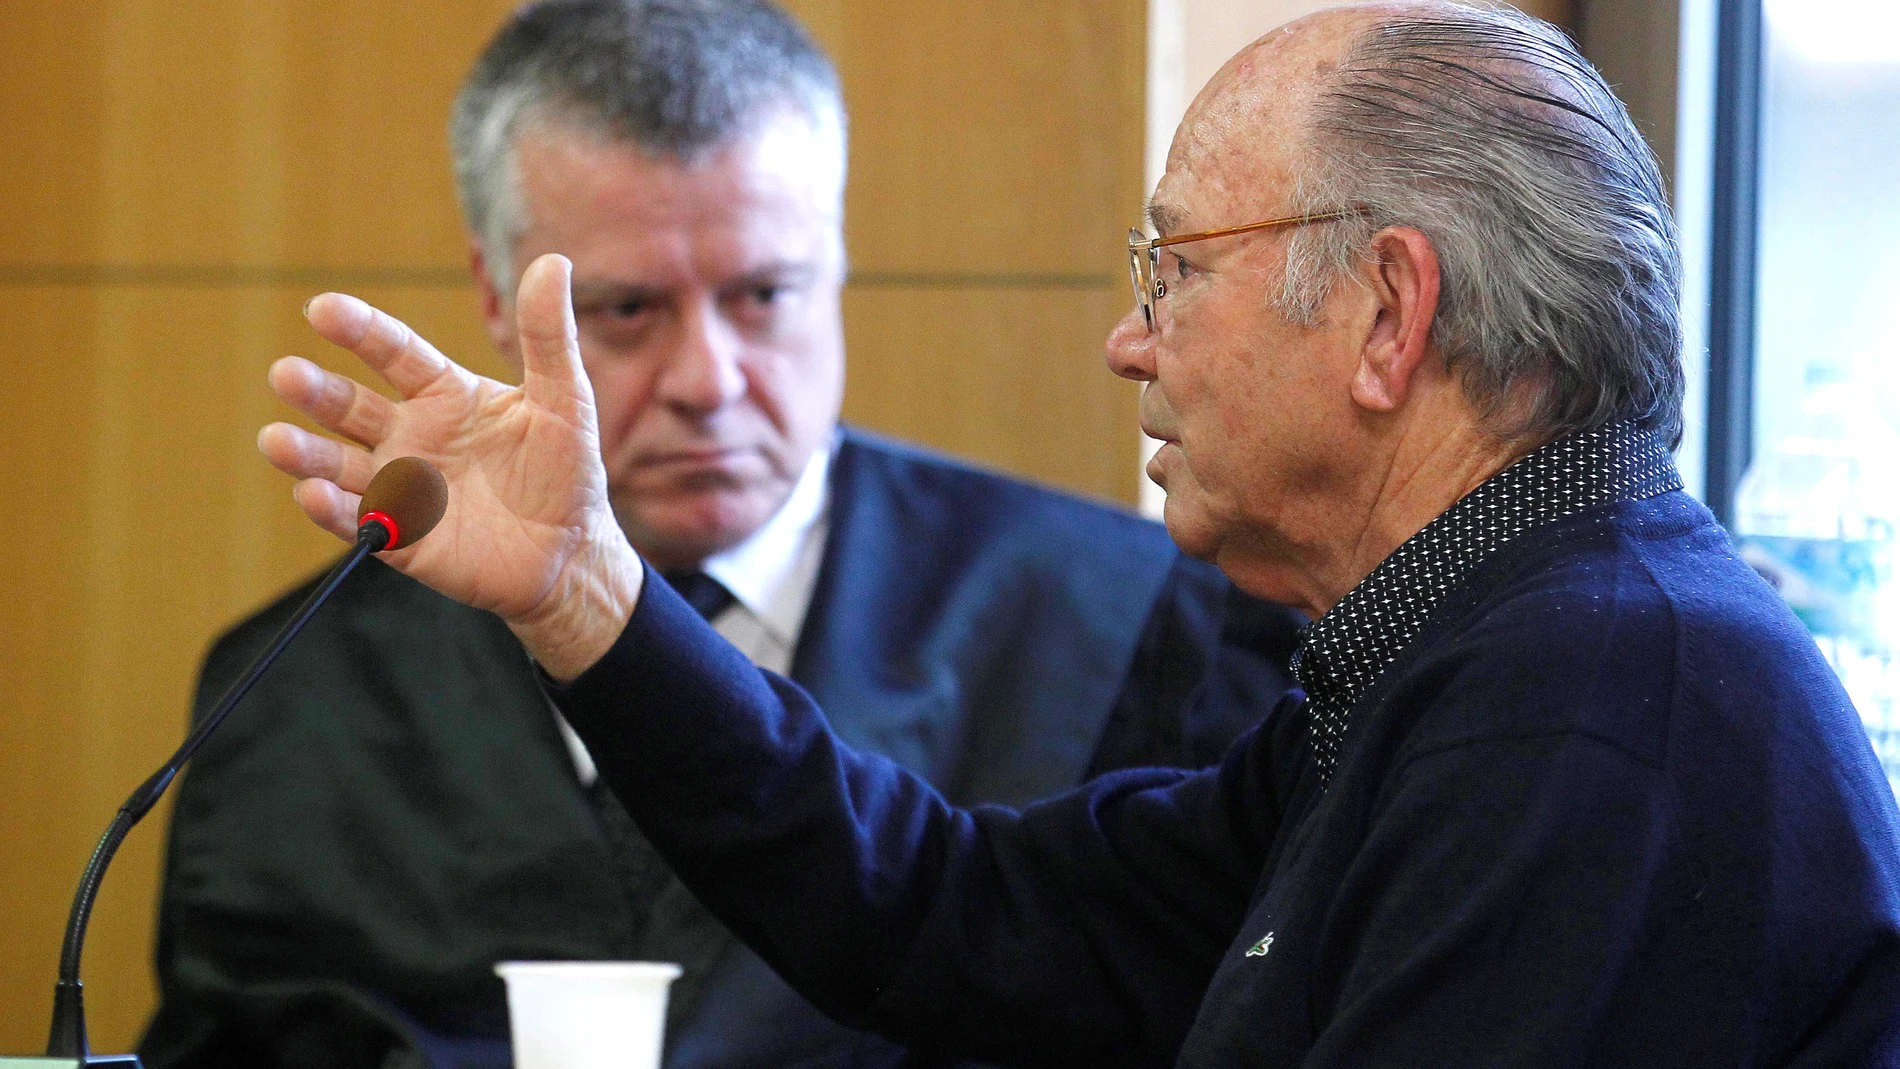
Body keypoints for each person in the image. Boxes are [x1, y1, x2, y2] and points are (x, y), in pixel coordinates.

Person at [247, 1, 1900, 1065]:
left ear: (1388, 313)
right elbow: (957, 913)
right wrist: (587, 589)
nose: (1131, 339)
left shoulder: (1610, 702)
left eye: (1174, 266)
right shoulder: (1478, 663)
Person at [140, 2, 1300, 1067]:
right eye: (629, 309)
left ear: (836, 262)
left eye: (763, 295)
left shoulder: (1143, 622)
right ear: (495, 297)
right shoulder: (293, 692)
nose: (708, 379)